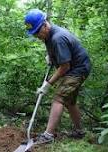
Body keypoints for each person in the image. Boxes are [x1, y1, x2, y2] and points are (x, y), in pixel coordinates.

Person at [24, 9, 91, 144]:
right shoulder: (48, 35)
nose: (37, 35)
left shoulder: (57, 38)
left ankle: (48, 135)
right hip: (74, 67)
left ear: (45, 24)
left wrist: (47, 84)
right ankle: (80, 132)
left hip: (77, 69)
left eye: (37, 31)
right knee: (69, 101)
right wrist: (51, 56)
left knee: (58, 99)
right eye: (34, 33)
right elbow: (58, 53)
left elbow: (65, 67)